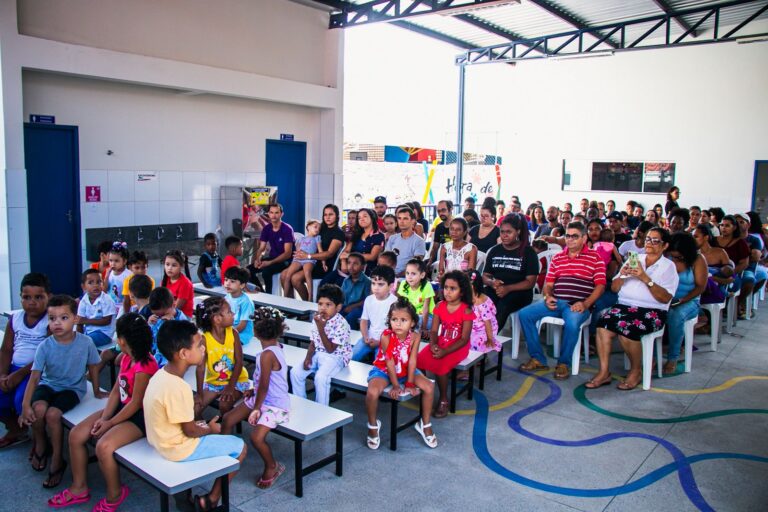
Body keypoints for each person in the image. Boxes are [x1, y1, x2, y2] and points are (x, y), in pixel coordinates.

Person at [47, 313, 158, 509]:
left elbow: (135, 404)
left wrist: (110, 423)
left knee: (103, 447)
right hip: (122, 409)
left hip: (140, 417)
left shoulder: (145, 366)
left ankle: (115, 495)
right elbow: (117, 389)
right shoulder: (126, 358)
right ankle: (79, 487)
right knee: (76, 435)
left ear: (122, 340)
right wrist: (105, 416)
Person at [144, 320, 247, 511]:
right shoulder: (179, 387)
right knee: (240, 447)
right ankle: (211, 500)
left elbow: (180, 422)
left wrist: (201, 426)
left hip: (160, 440)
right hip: (177, 448)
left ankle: (187, 495)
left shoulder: (160, 376)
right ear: (183, 353)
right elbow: (190, 431)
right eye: (199, 345)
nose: (203, 348)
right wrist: (211, 429)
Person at [20, 295, 104, 488]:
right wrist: (26, 405)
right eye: (52, 319)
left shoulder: (86, 342)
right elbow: (35, 377)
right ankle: (41, 443)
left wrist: (97, 391)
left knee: (52, 414)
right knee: (38, 409)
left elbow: (93, 366)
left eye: (64, 318)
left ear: (75, 319)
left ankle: (58, 458)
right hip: (48, 385)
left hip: (72, 388)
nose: (57, 323)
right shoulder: (45, 346)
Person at [589, 228, 679, 390]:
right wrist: (623, 274)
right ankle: (604, 373)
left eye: (655, 240)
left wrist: (645, 278)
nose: (649, 243)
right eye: (648, 239)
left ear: (665, 246)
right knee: (603, 327)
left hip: (652, 310)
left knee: (627, 330)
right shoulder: (635, 258)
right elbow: (615, 288)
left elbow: (666, 298)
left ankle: (636, 371)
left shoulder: (668, 266)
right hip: (624, 306)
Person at [518, 222, 606, 380]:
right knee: (525, 314)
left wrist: (585, 304)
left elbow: (600, 286)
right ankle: (538, 358)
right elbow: (549, 284)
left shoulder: (595, 258)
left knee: (572, 323)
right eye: (567, 235)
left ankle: (564, 363)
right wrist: (547, 296)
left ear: (584, 238)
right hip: (557, 301)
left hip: (578, 304)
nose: (570, 239)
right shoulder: (558, 258)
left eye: (574, 236)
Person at [221, 307, 290, 489]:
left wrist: (257, 408)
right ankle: (224, 458)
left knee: (256, 438)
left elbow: (266, 385)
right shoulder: (274, 347)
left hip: (274, 403)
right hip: (260, 396)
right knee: (228, 419)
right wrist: (252, 390)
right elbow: (262, 382)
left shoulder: (267, 355)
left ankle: (272, 466)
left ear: (256, 333)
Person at [365, 298, 437, 450]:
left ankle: (424, 424)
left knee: (429, 386)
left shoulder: (415, 337)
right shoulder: (386, 336)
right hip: (384, 370)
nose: (398, 323)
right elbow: (389, 362)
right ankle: (373, 425)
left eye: (403, 320)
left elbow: (412, 360)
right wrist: (396, 385)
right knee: (372, 392)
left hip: (405, 369)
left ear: (412, 323)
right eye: (394, 319)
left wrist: (410, 383)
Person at [0, 273, 50, 449]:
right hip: (15, 368)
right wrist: (3, 374)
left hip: (36, 372)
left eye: (38, 297)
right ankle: (15, 430)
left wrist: (19, 375)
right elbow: (6, 350)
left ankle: (40, 438)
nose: (32, 302)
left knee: (22, 400)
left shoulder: (50, 321)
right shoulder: (15, 319)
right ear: (20, 298)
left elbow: (47, 358)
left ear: (48, 297)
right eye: (26, 297)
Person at [416, 270, 475, 419]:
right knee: (418, 359)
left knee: (441, 366)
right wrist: (432, 345)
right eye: (446, 287)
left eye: (453, 288)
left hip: (458, 347)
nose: (448, 292)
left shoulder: (466, 310)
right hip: (441, 342)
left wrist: (445, 351)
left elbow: (464, 339)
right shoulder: (440, 306)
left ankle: (443, 399)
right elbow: (434, 331)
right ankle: (425, 388)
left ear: (462, 292)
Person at [290, 285, 351, 405]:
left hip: (337, 357)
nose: (323, 308)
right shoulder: (317, 319)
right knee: (295, 372)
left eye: (328, 305)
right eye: (320, 304)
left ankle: (322, 408)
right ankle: (301, 403)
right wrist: (308, 358)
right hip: (318, 353)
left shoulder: (341, 323)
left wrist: (321, 328)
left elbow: (330, 349)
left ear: (338, 307)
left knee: (321, 378)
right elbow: (313, 341)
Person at [194, 297, 251, 417]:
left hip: (236, 380)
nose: (233, 314)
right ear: (217, 319)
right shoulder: (204, 339)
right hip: (214, 382)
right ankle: (203, 431)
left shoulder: (233, 333)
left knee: (224, 405)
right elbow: (200, 368)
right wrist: (199, 393)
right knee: (195, 409)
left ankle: (225, 432)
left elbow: (239, 362)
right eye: (229, 312)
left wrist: (230, 387)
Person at [482, 213, 538, 330]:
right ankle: (477, 336)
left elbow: (530, 282)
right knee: (481, 302)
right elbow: (485, 276)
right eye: (502, 232)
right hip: (496, 289)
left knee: (503, 305)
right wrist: (492, 282)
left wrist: (508, 288)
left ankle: (491, 339)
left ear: (517, 232)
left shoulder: (528, 252)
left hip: (519, 292)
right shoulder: (494, 251)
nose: (504, 235)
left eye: (509, 232)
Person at [663, 233, 707, 374]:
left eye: (679, 257)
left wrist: (682, 300)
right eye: (673, 256)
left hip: (689, 300)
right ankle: (652, 356)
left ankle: (673, 357)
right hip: (666, 298)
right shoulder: (666, 257)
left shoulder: (698, 260)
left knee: (676, 314)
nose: (675, 259)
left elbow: (701, 287)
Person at [294, 204, 346, 297]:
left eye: (331, 214)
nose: (327, 217)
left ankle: (309, 303)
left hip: (325, 265)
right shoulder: (321, 228)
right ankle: (294, 304)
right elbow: (310, 238)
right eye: (325, 215)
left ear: (337, 216)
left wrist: (308, 256)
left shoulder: (338, 233)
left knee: (296, 279)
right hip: (312, 261)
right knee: (287, 274)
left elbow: (329, 254)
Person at [354, 266, 397, 362]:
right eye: (373, 283)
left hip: (387, 342)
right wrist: (365, 337)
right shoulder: (369, 300)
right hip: (369, 337)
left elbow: (397, 330)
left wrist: (380, 342)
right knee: (351, 357)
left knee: (379, 365)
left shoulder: (395, 303)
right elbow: (364, 320)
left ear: (390, 286)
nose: (376, 288)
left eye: (380, 284)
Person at [248, 203, 294, 294]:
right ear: (268, 214)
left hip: (287, 261)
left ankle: (269, 296)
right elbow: (261, 248)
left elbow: (287, 253)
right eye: (271, 212)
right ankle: (262, 293)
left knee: (266, 272)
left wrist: (269, 263)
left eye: (276, 213)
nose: (274, 215)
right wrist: (258, 259)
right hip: (273, 258)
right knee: (247, 271)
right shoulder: (266, 229)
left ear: (281, 214)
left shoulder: (287, 229)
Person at [280, 218, 323, 299]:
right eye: (315, 227)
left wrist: (323, 262)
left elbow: (320, 251)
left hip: (309, 259)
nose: (317, 229)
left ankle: (310, 297)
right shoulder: (301, 239)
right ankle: (285, 298)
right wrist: (296, 256)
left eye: (319, 228)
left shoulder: (317, 238)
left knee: (307, 273)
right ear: (308, 227)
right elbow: (298, 249)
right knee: (288, 274)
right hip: (298, 259)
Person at [147, 287, 189, 367]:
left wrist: (173, 325)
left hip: (172, 358)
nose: (160, 317)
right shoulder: (157, 317)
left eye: (162, 314)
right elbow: (151, 336)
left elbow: (185, 340)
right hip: (156, 354)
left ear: (174, 304)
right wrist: (149, 323)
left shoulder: (181, 319)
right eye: (156, 315)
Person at [76, 269, 117, 347]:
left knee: (85, 343)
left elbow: (107, 321)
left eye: (99, 282)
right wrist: (78, 338)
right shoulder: (83, 301)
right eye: (91, 282)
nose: (95, 285)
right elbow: (79, 322)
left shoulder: (107, 299)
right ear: (83, 287)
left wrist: (86, 321)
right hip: (88, 332)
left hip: (104, 334)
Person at [339, 208, 384, 278]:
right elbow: (346, 251)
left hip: (367, 271)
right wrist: (343, 262)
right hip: (350, 269)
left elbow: (372, 256)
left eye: (365, 216)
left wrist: (349, 256)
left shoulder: (379, 236)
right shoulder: (356, 234)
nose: (362, 219)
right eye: (359, 218)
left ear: (372, 218)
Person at [397, 259, 435, 339]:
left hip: (427, 317)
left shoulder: (427, 286)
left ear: (422, 275)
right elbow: (401, 304)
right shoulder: (404, 284)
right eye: (407, 273)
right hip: (410, 316)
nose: (409, 277)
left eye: (413, 274)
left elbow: (426, 309)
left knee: (416, 321)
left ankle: (414, 334)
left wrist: (424, 328)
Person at [385, 206, 426, 277]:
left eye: (405, 218)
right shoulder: (392, 238)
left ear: (413, 221)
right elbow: (386, 259)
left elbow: (415, 265)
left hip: (408, 277)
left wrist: (398, 276)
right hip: (390, 276)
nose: (401, 221)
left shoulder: (419, 241)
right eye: (399, 218)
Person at [715, 214, 750, 294]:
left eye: (727, 225)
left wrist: (730, 273)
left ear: (734, 227)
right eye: (722, 225)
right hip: (712, 272)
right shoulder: (713, 240)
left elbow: (744, 263)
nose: (723, 228)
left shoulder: (740, 243)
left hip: (732, 274)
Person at [469, 270, 500, 354]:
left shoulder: (482, 301)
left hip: (484, 329)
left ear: (472, 286)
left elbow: (487, 322)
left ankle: (480, 357)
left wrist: (490, 338)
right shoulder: (466, 298)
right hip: (472, 326)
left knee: (475, 341)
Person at [224, 267, 255, 345]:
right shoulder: (227, 297)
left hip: (242, 334)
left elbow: (242, 326)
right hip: (229, 329)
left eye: (232, 281)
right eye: (226, 280)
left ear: (242, 285)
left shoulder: (246, 302)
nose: (227, 283)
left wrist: (226, 334)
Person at [340, 252, 370, 330]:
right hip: (345, 306)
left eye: (355, 264)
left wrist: (352, 307)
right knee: (335, 314)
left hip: (360, 308)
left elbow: (367, 300)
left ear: (363, 267)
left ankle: (351, 337)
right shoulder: (346, 280)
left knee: (350, 317)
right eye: (349, 263)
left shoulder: (367, 282)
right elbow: (340, 296)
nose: (351, 266)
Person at [104, 242, 133, 312]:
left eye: (116, 261)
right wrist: (106, 277)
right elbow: (105, 290)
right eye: (110, 260)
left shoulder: (128, 275)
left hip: (123, 306)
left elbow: (130, 295)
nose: (113, 263)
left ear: (124, 261)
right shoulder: (109, 273)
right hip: (110, 305)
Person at [427, 200, 454, 266]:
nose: (441, 213)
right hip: (442, 260)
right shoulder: (439, 227)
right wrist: (430, 262)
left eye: (443, 210)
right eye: (439, 211)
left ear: (450, 210)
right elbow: (435, 248)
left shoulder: (459, 225)